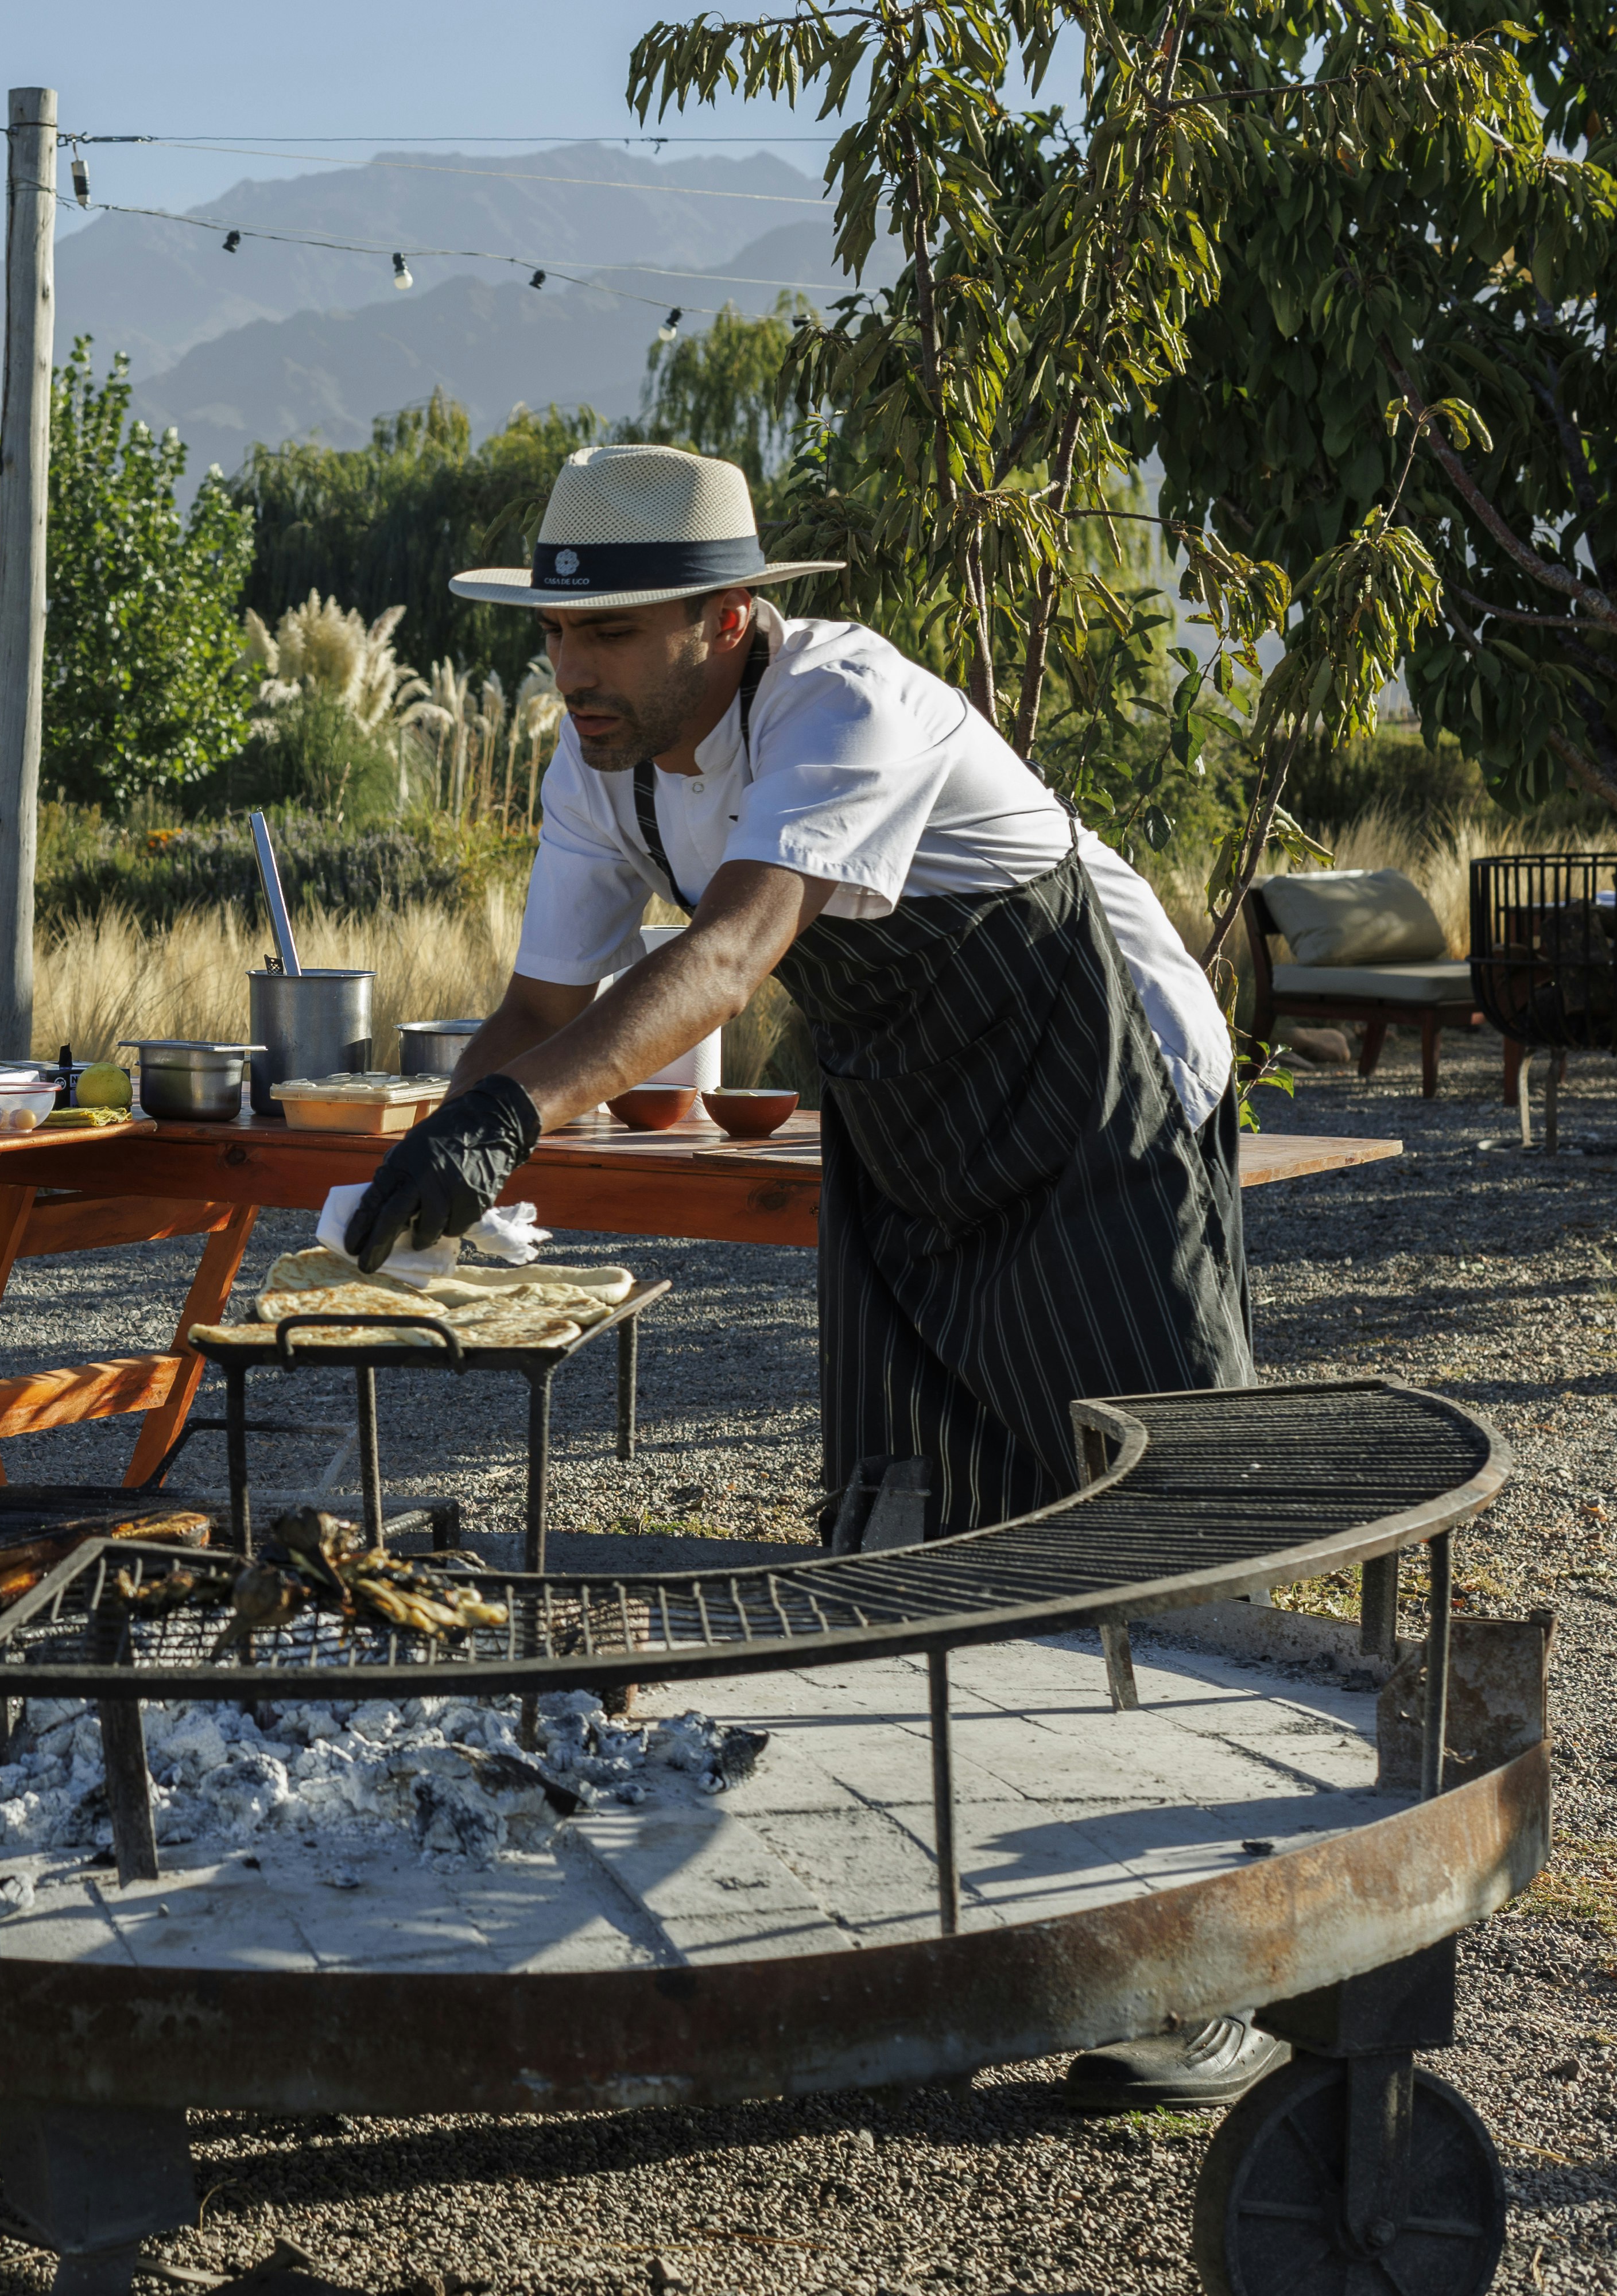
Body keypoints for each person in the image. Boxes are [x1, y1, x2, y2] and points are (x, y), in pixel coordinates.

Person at [358, 443, 1266, 2107]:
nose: (572, 673)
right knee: (925, 1518)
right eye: (555, 638)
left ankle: (1208, 1957)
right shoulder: (599, 761)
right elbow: (545, 1005)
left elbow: (731, 951)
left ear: (728, 620)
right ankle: (982, 1927)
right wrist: (416, 1155)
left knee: (1151, 1508)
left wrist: (511, 1120)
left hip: (1099, 1100)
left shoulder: (847, 707)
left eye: (613, 637)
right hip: (917, 1129)